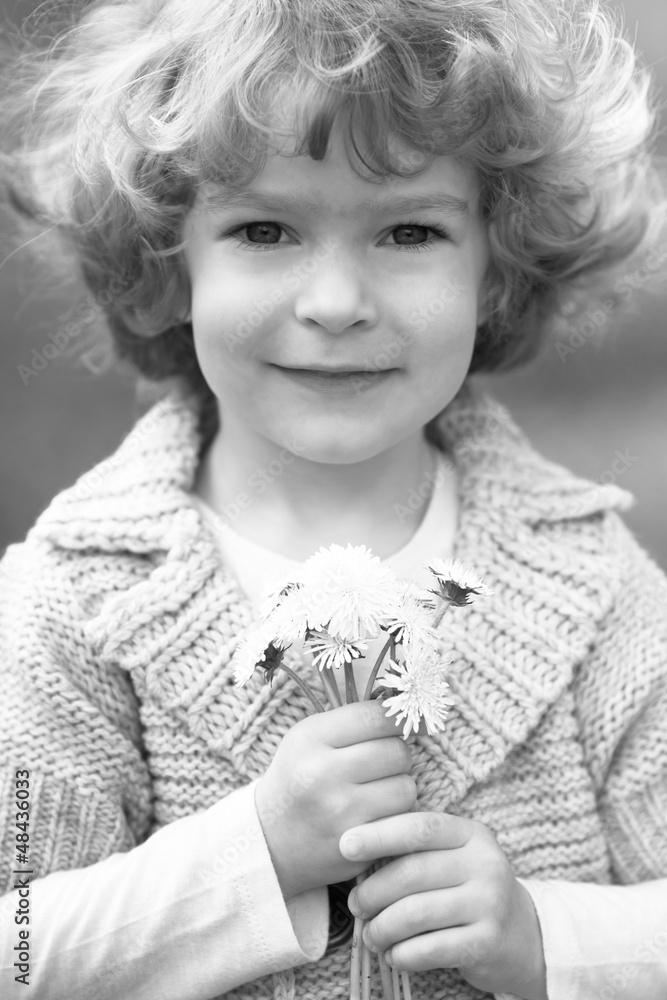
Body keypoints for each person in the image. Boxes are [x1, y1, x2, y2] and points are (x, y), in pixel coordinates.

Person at [0, 1, 666, 998]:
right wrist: (253, 855)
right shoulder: (78, 599)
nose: (336, 301)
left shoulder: (593, 582)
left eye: (408, 230)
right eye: (264, 229)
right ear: (165, 267)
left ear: (498, 265)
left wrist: (542, 935)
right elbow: (18, 948)